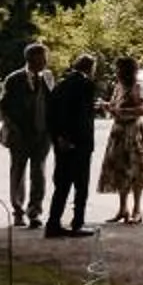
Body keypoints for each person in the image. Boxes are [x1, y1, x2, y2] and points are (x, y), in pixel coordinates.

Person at [0, 42, 54, 228]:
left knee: (39, 174)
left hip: (42, 134)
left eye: (45, 59)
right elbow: (2, 106)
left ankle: (35, 212)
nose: (45, 63)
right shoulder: (14, 79)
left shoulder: (48, 77)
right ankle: (18, 211)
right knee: (18, 173)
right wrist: (12, 127)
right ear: (30, 60)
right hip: (20, 134)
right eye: (41, 59)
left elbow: (52, 102)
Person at [98, 55, 143, 224]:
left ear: (127, 71)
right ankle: (122, 208)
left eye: (119, 69)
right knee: (120, 170)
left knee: (135, 169)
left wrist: (120, 112)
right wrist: (108, 107)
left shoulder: (137, 86)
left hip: (133, 131)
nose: (116, 72)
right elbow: (115, 106)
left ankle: (137, 209)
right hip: (118, 131)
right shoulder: (118, 86)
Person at [44, 53, 100, 238]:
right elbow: (83, 117)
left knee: (62, 184)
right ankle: (77, 223)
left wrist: (59, 136)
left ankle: (53, 222)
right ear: (90, 68)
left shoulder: (61, 85)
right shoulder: (85, 85)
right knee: (81, 184)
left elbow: (51, 113)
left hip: (62, 142)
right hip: (79, 142)